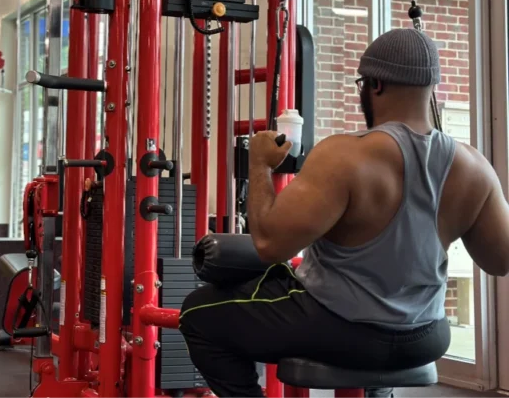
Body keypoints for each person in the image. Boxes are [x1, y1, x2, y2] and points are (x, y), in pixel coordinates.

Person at [179, 29, 509, 398]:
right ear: (430, 87)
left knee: (198, 312)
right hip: (426, 335)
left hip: (340, 328)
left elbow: (270, 244)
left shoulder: (345, 155)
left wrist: (259, 164)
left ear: (375, 85)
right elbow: (500, 260)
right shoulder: (475, 167)